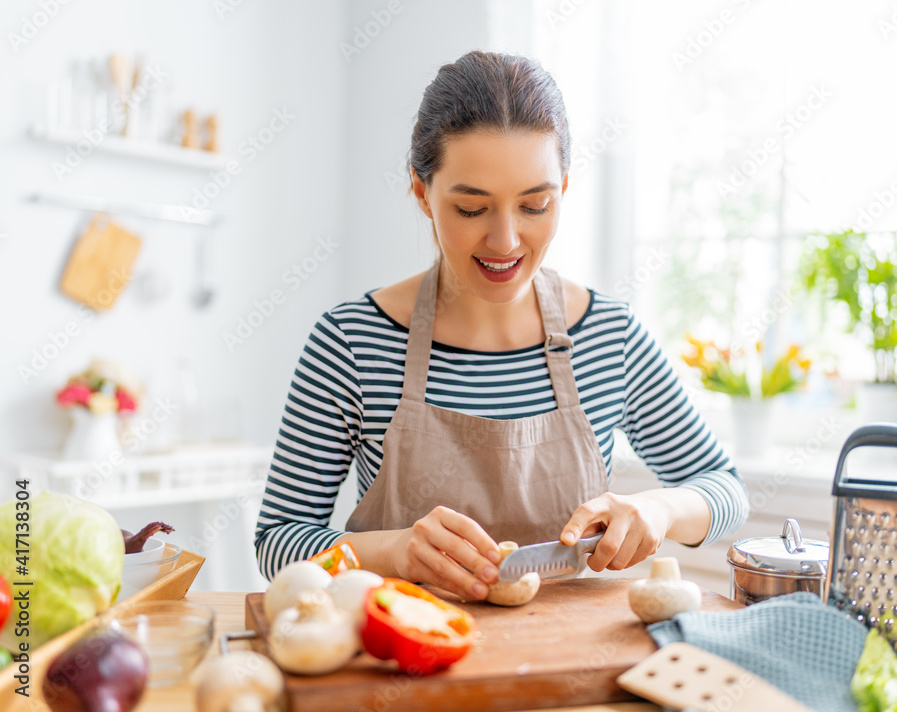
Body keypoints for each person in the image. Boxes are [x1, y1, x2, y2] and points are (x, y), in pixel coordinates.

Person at [255, 50, 748, 600]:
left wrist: (659, 508)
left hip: (562, 662)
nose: (506, 242)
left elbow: (726, 492)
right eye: (472, 209)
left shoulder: (610, 335)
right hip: (399, 657)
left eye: (535, 205)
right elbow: (277, 544)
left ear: (563, 188)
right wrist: (394, 552)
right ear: (422, 192)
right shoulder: (350, 342)